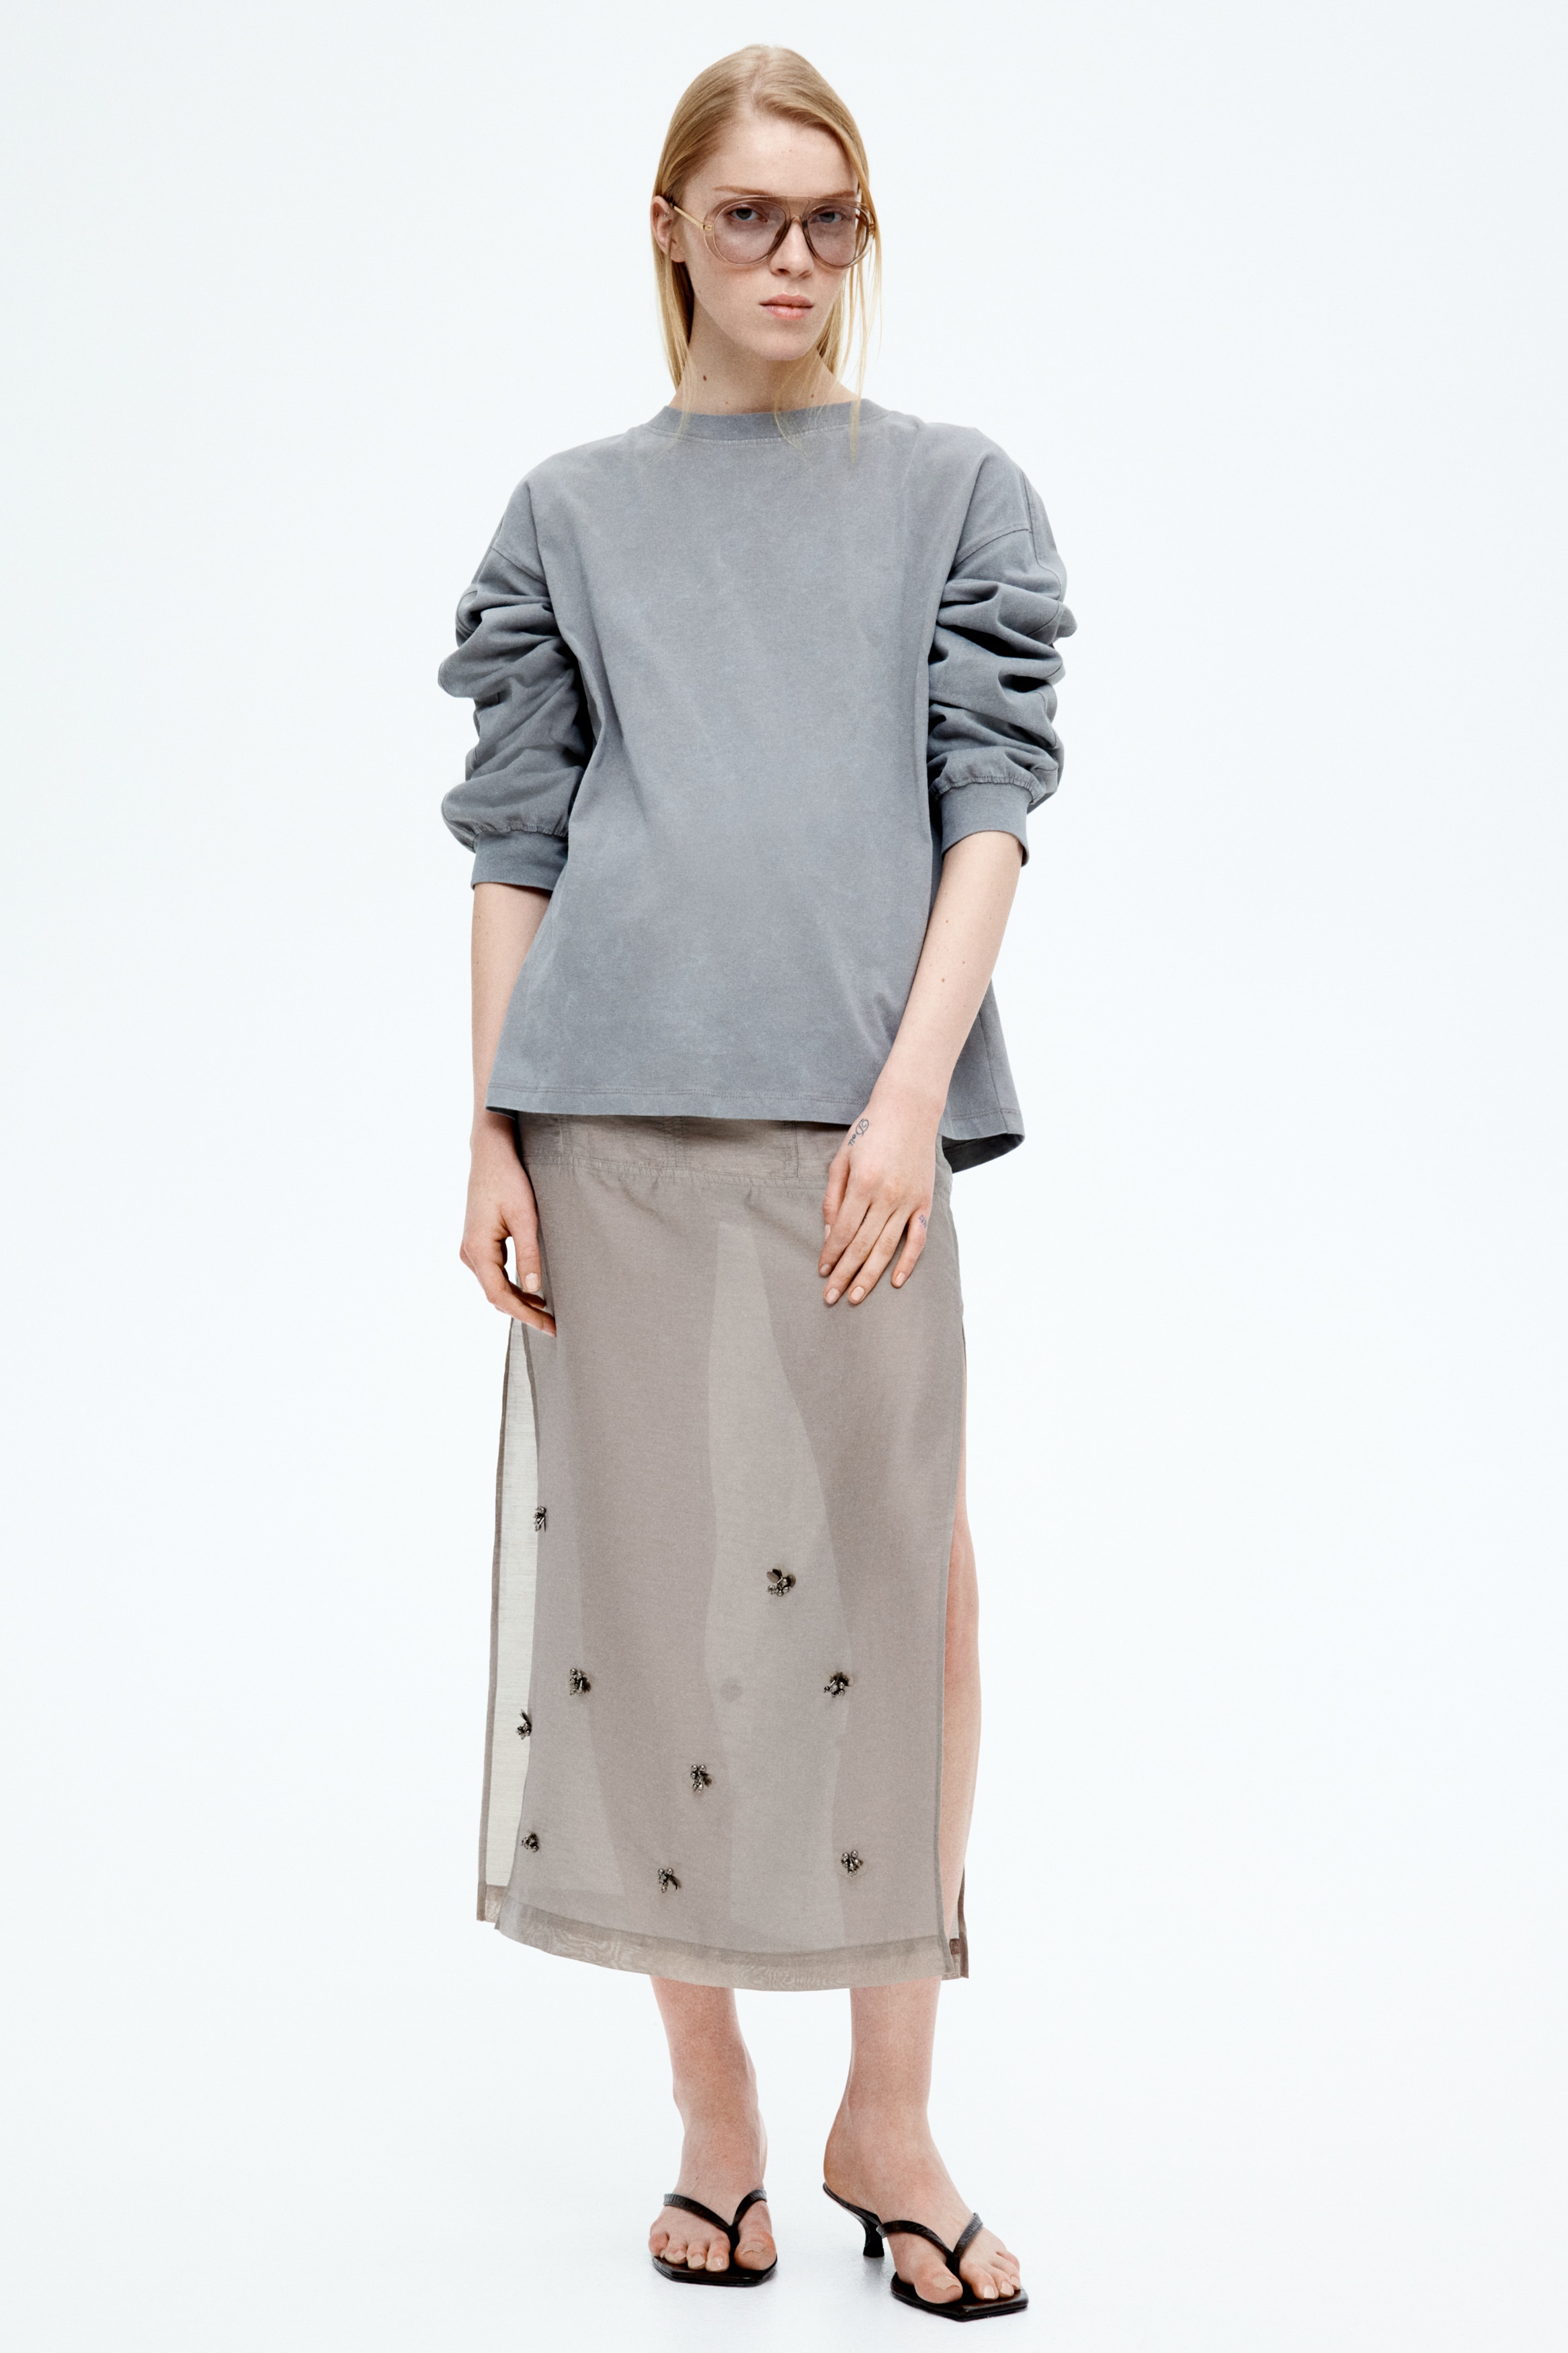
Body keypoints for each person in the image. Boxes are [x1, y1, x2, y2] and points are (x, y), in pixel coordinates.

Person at [438, 44, 1071, 2319]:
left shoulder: (954, 492)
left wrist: (908, 1099)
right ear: (672, 231)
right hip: (608, 1122)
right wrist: (489, 1124)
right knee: (659, 1608)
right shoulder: (572, 514)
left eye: (830, 217)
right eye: (751, 215)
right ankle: (715, 2118)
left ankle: (887, 2113)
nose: (795, 255)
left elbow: (991, 806)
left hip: (856, 1128)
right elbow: (518, 836)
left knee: (916, 1596)